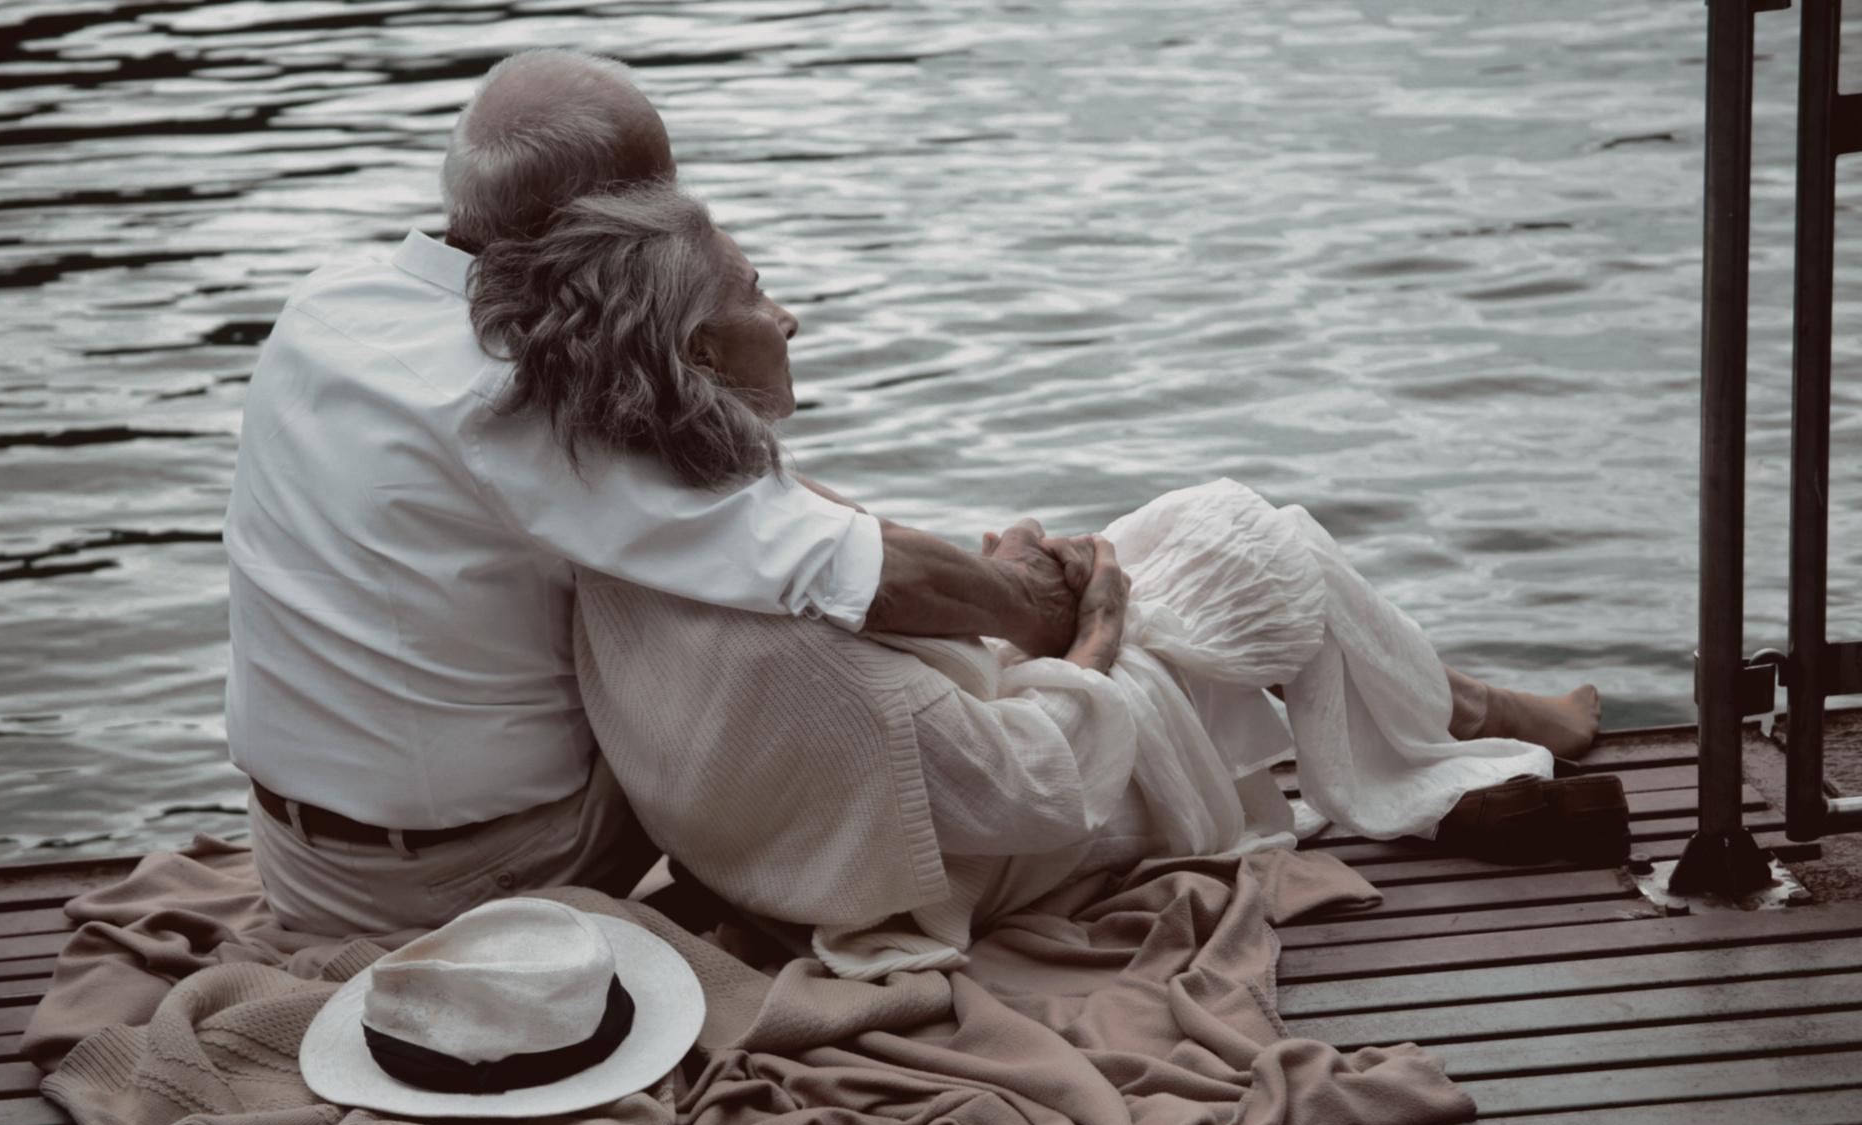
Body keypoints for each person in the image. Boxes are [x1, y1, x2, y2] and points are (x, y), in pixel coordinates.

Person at [478, 181, 1616, 976]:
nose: (788, 315)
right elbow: (1027, 790)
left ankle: (1454, 717)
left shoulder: (631, 525)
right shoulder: (812, 661)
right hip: (973, 852)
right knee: (1252, 538)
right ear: (700, 356)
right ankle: (1454, 733)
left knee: (1187, 533)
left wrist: (1002, 593)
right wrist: (1092, 642)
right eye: (757, 292)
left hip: (819, 836)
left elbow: (865, 601)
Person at [224, 49, 1084, 937]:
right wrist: (1035, 607)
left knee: (696, 540)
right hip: (463, 882)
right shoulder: (514, 392)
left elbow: (734, 499)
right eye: (667, 204)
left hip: (300, 864)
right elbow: (854, 573)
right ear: (609, 227)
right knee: (744, 627)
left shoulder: (327, 302)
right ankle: (960, 819)